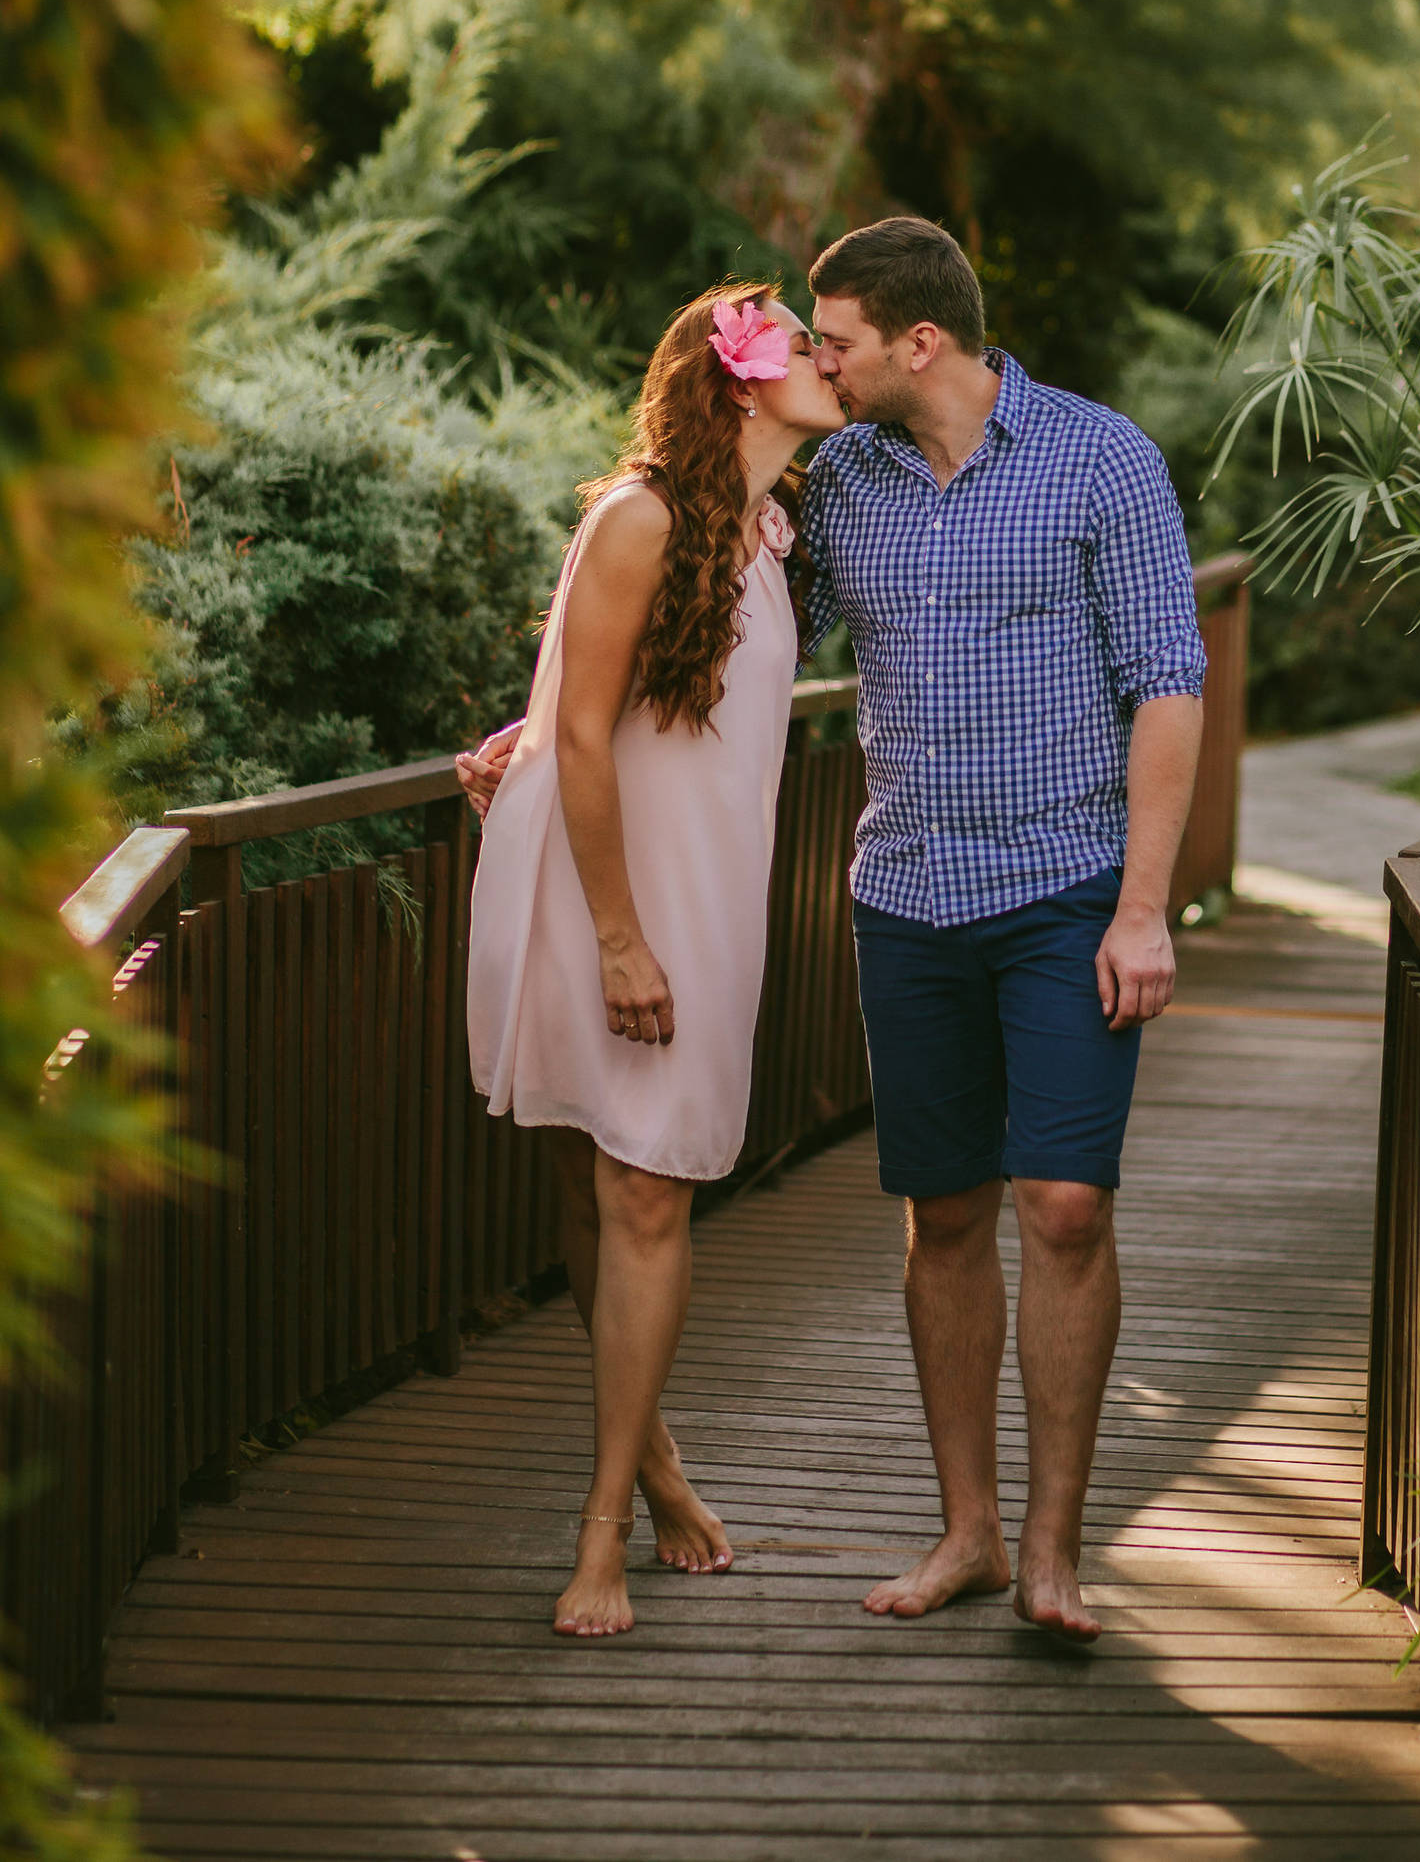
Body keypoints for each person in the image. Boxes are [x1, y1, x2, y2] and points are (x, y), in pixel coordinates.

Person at [462, 220, 1206, 1643]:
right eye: (804, 343)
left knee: (1063, 1204)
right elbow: (672, 622)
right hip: (907, 895)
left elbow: (1170, 679)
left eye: (838, 338)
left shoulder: (1098, 460)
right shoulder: (839, 486)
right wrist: (544, 734)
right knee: (941, 1217)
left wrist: (1146, 905)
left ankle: (1052, 1555)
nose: (825, 360)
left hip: (1067, 884)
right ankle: (967, 1537)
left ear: (917, 341)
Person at [461, 281, 843, 1638]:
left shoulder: (770, 528)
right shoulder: (639, 516)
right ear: (739, 377)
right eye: (804, 343)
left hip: (703, 892)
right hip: (596, 888)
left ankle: (647, 1467)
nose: (827, 356)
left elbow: (618, 711)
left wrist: (535, 732)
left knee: (647, 1186)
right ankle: (608, 1526)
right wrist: (619, 937)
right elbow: (580, 733)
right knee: (600, 1175)